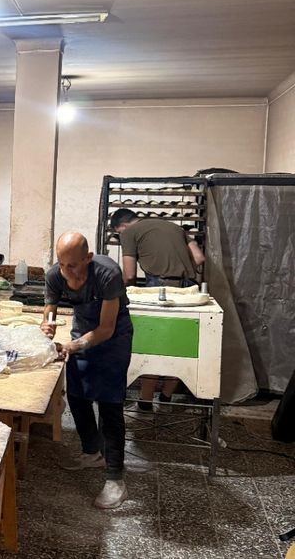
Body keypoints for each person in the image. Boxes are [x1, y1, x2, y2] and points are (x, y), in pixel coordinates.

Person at [42, 232, 132, 509]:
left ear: (88, 258)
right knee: (78, 397)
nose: (65, 271)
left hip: (113, 337)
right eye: (61, 264)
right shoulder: (55, 275)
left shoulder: (107, 274)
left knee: (110, 405)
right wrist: (48, 324)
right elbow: (50, 308)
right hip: (81, 332)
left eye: (72, 265)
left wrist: (74, 345)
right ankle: (92, 452)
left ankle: (115, 479)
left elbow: (105, 328)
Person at [109, 208, 205, 408]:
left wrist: (122, 298)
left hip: (160, 289)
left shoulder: (129, 233)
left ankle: (146, 400)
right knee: (180, 345)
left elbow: (129, 275)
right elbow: (198, 258)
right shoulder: (175, 228)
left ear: (122, 226)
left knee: (152, 345)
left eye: (118, 233)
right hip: (188, 290)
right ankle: (166, 396)